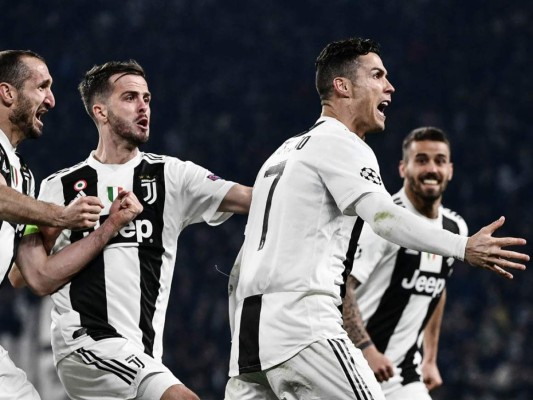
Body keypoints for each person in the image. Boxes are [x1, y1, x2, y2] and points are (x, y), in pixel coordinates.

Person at [224, 37, 528, 400]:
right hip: (305, 328)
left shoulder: (279, 155)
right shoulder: (343, 144)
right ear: (343, 86)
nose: (390, 86)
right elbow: (384, 218)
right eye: (377, 75)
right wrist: (462, 246)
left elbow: (239, 270)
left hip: (249, 346)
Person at [35, 59, 252, 400]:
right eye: (130, 97)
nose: (143, 107)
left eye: (147, 99)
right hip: (87, 341)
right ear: (101, 112)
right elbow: (29, 278)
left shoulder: (173, 176)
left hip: (143, 355)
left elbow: (250, 199)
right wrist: (69, 227)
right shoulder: (59, 187)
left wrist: (308, 180)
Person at [0, 49, 116, 400]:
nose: (51, 100)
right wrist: (58, 214)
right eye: (42, 87)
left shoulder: (24, 177)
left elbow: (27, 277)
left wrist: (93, 230)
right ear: (7, 92)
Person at [345, 126, 467, 400]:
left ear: (450, 170)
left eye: (440, 161)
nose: (431, 169)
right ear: (403, 168)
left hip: (403, 377)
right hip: (353, 370)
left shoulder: (455, 227)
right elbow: (343, 289)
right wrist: (368, 350)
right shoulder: (385, 221)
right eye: (421, 160)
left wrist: (430, 358)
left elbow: (437, 289)